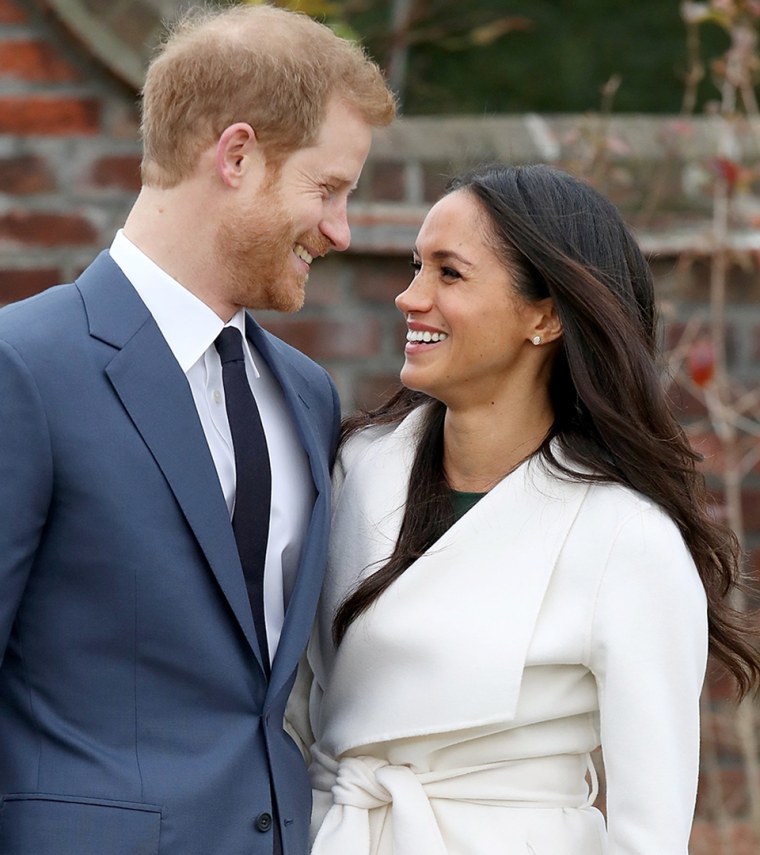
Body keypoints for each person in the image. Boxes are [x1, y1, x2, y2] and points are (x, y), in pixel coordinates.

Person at [0, 5, 394, 855]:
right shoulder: (22, 368)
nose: (341, 231)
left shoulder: (307, 393)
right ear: (238, 155)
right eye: (327, 190)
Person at [288, 163, 760, 854]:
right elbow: (294, 709)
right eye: (418, 266)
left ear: (543, 315)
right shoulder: (355, 468)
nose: (409, 296)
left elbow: (649, 832)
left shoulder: (625, 538)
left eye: (449, 273)